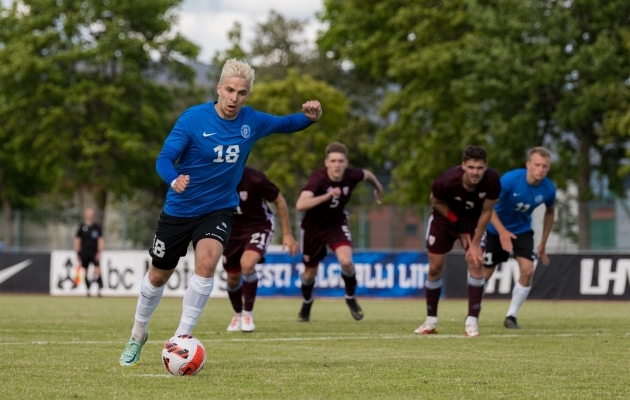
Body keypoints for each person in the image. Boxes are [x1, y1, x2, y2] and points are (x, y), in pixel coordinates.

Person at [119, 58, 322, 367]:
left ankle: (181, 339)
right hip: (179, 209)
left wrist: (309, 118)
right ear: (218, 88)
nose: (234, 98)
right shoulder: (192, 119)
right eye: (229, 90)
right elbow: (164, 158)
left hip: (218, 209)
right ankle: (138, 333)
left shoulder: (250, 121)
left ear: (247, 95)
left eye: (241, 93)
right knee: (159, 275)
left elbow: (285, 123)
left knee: (207, 262)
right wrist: (173, 179)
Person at [415, 145, 501, 337]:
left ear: (486, 167)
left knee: (476, 263)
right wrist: (457, 223)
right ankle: (431, 321)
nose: (475, 172)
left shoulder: (492, 180)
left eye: (479, 168)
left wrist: (475, 243)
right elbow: (434, 200)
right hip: (443, 221)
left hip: (473, 224)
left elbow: (487, 211)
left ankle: (472, 322)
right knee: (435, 267)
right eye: (471, 167)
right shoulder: (446, 181)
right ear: (463, 166)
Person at [295, 141, 383, 322]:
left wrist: (378, 188)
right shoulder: (317, 178)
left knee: (346, 262)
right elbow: (300, 205)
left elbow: (367, 174)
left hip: (336, 224)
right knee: (310, 273)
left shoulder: (351, 175)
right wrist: (326, 196)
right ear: (326, 162)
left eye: (340, 161)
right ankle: (306, 302)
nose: (337, 165)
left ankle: (350, 298)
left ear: (346, 163)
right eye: (333, 161)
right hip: (313, 227)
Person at [483, 147, 556, 329]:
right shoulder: (510, 180)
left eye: (545, 166)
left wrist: (543, 243)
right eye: (537, 165)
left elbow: (550, 212)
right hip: (495, 229)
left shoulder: (548, 189)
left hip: (522, 230)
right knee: (485, 274)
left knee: (528, 270)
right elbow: (488, 208)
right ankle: (473, 310)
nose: (541, 169)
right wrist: (502, 232)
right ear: (528, 165)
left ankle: (511, 316)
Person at [224, 166, 299, 333]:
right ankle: (237, 314)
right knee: (232, 278)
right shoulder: (215, 176)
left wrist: (287, 234)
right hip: (231, 231)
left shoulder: (255, 178)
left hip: (258, 226)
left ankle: (248, 313)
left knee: (248, 264)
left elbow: (279, 201)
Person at [74, 207, 104, 297]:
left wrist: (99, 252)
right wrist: (78, 252)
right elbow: (77, 240)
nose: (91, 215)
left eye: (92, 213)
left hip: (94, 252)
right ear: (86, 214)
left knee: (97, 270)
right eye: (89, 213)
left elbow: (100, 240)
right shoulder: (81, 227)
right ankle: (88, 290)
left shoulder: (96, 227)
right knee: (86, 271)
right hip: (84, 252)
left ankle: (99, 291)